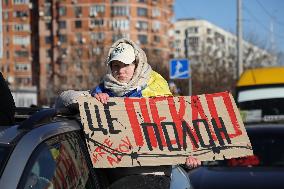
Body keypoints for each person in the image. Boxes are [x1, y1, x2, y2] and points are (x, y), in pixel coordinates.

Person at [56, 38, 200, 188]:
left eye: (126, 65)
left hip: (153, 176)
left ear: (137, 65)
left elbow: (176, 129)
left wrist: (189, 154)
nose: (121, 71)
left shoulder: (157, 91)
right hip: (116, 176)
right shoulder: (103, 92)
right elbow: (63, 99)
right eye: (116, 66)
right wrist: (91, 99)